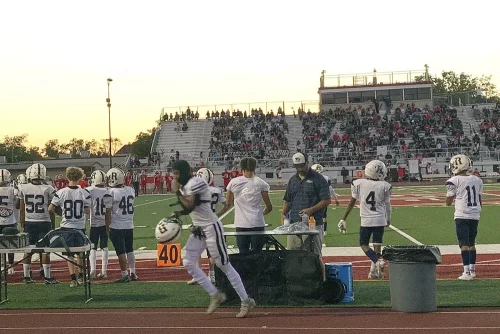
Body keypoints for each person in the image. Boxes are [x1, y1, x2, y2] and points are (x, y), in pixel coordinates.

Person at [171, 160, 255, 318]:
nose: (175, 177)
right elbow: (192, 208)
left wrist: (177, 193)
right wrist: (179, 213)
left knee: (223, 265)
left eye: (176, 173)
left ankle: (246, 300)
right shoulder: (187, 184)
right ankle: (215, 294)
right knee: (188, 261)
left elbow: (191, 206)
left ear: (183, 171)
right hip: (199, 228)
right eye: (173, 174)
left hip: (211, 227)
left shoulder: (196, 182)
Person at [338, 159, 391, 279]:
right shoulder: (385, 186)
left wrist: (343, 218)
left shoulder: (359, 183)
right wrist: (388, 219)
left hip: (366, 219)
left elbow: (351, 203)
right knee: (377, 245)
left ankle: (376, 263)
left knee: (363, 244)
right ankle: (377, 272)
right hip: (380, 219)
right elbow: (388, 206)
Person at [281, 153, 330, 259]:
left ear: (307, 162)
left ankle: (319, 276)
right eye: (297, 166)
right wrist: (283, 214)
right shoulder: (293, 180)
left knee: (313, 256)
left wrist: (311, 210)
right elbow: (288, 200)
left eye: (302, 165)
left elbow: (326, 200)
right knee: (292, 256)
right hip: (294, 224)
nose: (299, 168)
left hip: (312, 224)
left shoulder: (318, 179)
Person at [48, 167, 91, 287]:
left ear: (67, 177)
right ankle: (81, 276)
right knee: (80, 253)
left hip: (66, 226)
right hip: (79, 226)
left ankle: (73, 279)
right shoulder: (84, 192)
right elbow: (87, 211)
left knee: (69, 254)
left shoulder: (61, 192)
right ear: (79, 177)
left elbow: (50, 208)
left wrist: (60, 213)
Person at [219, 157, 272, 253]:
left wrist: (216, 215)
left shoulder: (233, 182)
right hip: (257, 224)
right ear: (255, 167)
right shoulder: (261, 183)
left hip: (241, 224)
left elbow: (228, 204)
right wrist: (260, 214)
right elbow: (269, 207)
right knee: (257, 255)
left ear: (241, 168)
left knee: (243, 254)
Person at [18, 163, 58, 284]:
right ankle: (46, 276)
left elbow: (21, 207)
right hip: (44, 221)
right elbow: (53, 206)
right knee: (45, 249)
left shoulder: (22, 188)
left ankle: (26, 276)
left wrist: (22, 223)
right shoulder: (49, 188)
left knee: (28, 249)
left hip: (29, 222)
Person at [446, 154, 482, 280]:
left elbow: (449, 201)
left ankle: (466, 272)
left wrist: (449, 199)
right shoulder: (477, 179)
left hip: (462, 214)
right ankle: (472, 270)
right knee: (472, 243)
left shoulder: (453, 180)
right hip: (475, 214)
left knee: (464, 244)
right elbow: (479, 199)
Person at [186, 167, 225, 285]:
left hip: (199, 222)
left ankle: (198, 275)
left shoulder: (197, 190)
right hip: (212, 222)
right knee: (211, 251)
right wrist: (218, 214)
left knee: (196, 250)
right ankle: (211, 275)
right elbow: (227, 204)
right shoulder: (217, 190)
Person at [106, 167, 138, 283]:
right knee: (130, 249)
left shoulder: (110, 192)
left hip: (117, 225)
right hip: (129, 224)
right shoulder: (131, 190)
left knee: (120, 251)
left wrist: (107, 226)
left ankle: (124, 275)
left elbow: (108, 212)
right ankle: (133, 272)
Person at [86, 170, 112, 279]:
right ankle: (104, 271)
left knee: (93, 247)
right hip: (104, 222)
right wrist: (108, 226)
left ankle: (92, 270)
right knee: (104, 246)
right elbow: (108, 211)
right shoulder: (108, 191)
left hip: (94, 223)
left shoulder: (89, 190)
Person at [311, 164, 340, 236]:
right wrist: (336, 198)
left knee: (311, 215)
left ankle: (312, 229)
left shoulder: (310, 178)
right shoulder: (326, 178)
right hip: (323, 199)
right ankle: (324, 231)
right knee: (323, 216)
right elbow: (331, 189)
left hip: (312, 199)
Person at [0, 169, 19, 274]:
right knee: (10, 245)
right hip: (10, 221)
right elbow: (18, 204)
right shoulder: (13, 190)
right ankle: (11, 266)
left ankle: (2, 266)